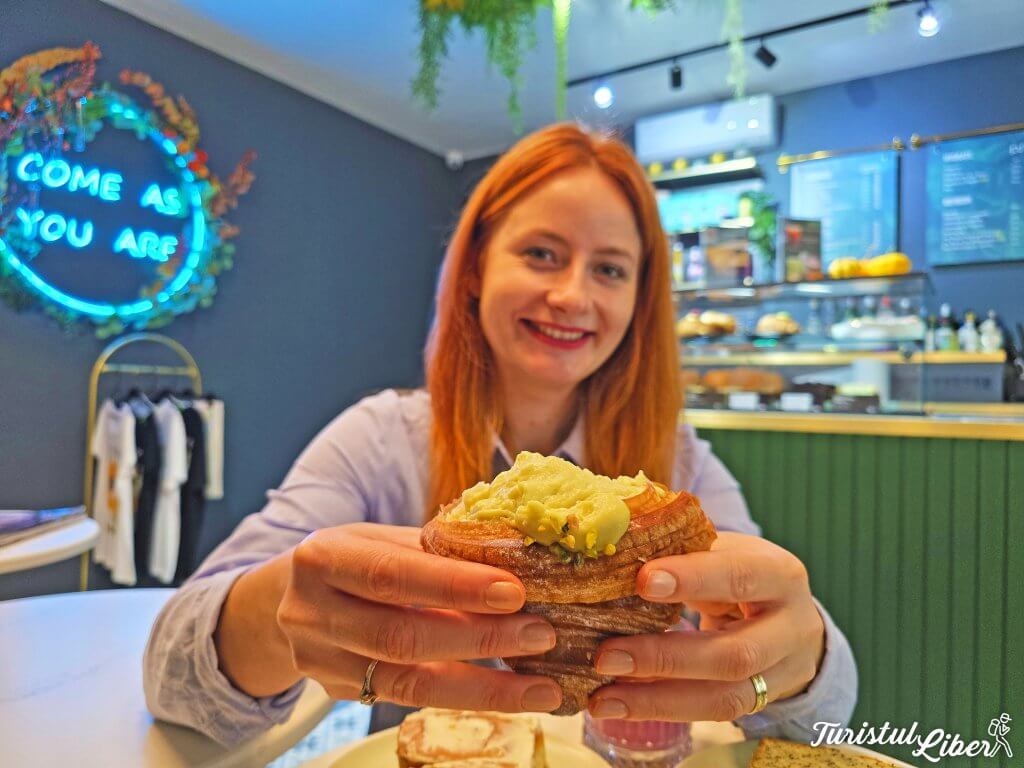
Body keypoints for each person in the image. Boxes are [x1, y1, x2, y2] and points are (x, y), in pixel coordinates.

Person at [143, 123, 857, 747]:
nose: (573, 295)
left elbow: (822, 721)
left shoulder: (676, 467)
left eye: (610, 269)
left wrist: (795, 663)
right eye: (542, 254)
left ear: (639, 302)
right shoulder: (381, 441)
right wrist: (275, 616)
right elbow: (172, 683)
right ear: (479, 266)